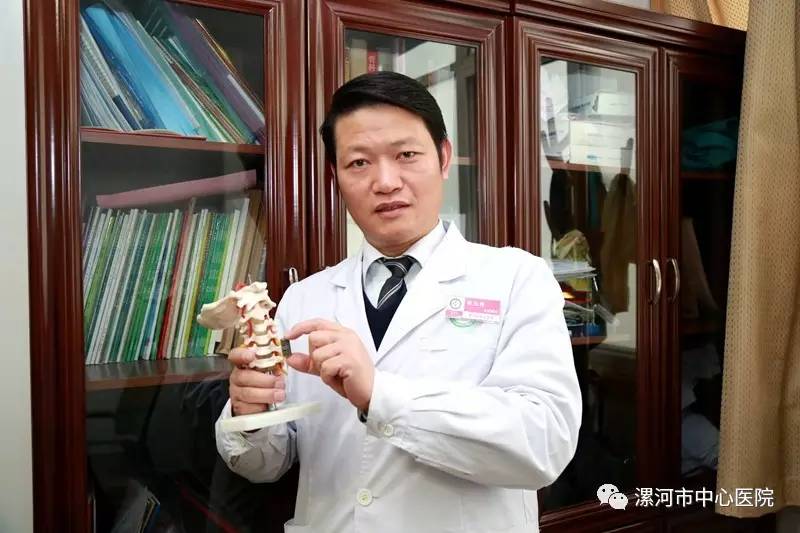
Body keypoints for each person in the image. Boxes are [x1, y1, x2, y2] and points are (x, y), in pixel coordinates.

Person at [216, 71, 582, 533]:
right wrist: (250, 417)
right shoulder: (305, 297)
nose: (386, 182)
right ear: (335, 177)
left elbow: (543, 445)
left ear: (443, 157)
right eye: (359, 163)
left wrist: (380, 394)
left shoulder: (516, 278)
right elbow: (268, 464)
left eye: (406, 155)